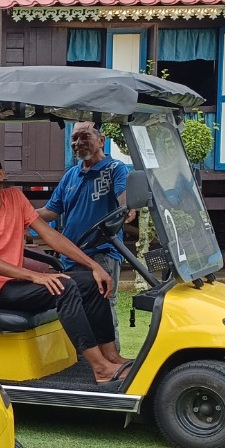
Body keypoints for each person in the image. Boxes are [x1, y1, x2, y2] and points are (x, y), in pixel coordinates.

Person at [0, 151, 130, 383]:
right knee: (64, 287)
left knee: (90, 281)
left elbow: (50, 235)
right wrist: (35, 276)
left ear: (1, 174)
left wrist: (93, 265)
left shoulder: (14, 198)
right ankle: (100, 368)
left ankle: (111, 356)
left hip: (16, 282)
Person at [37, 123, 133, 344]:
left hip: (101, 254)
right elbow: (51, 211)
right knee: (75, 311)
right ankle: (83, 360)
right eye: (74, 138)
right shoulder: (71, 175)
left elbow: (124, 200)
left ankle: (112, 359)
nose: (78, 143)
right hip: (71, 256)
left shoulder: (115, 169)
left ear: (101, 140)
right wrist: (20, 214)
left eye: (85, 136)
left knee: (103, 310)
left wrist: (128, 207)